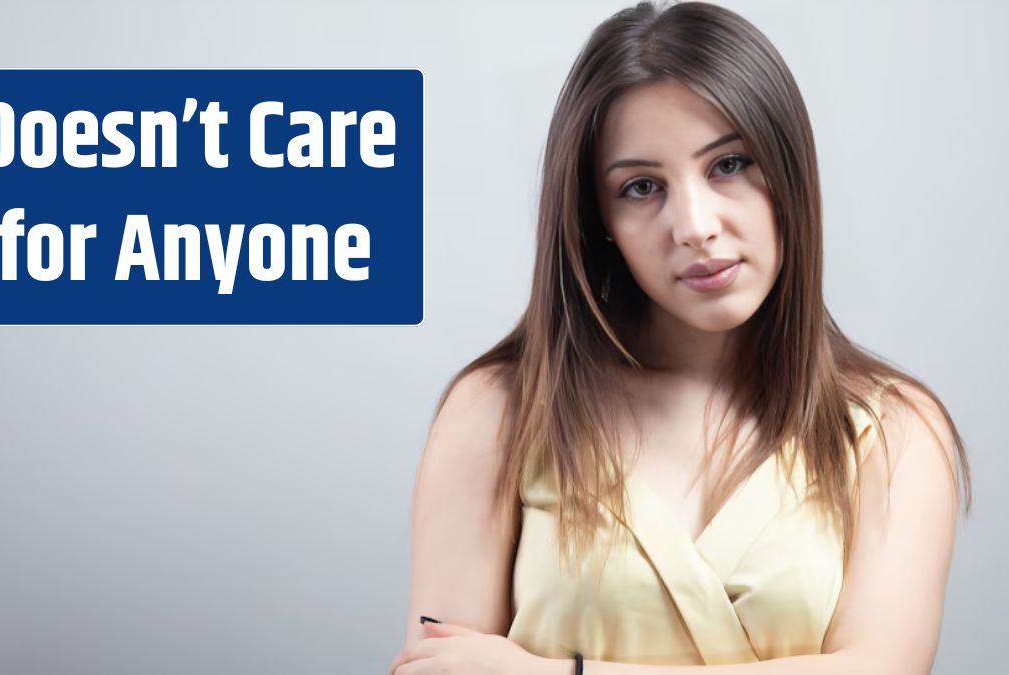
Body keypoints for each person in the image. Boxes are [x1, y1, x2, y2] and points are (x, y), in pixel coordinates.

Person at [390, 1, 972, 673]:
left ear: (789, 169)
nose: (694, 225)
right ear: (597, 217)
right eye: (641, 187)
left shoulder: (893, 432)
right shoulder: (499, 410)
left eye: (728, 165)